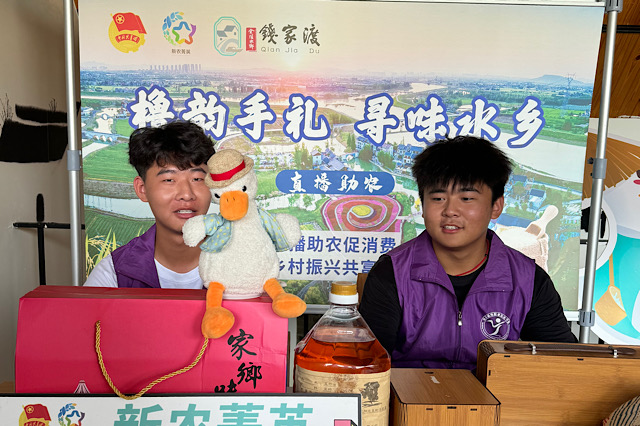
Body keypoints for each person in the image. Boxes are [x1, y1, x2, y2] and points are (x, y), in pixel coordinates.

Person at [359, 135, 577, 370]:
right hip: (407, 391)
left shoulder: (528, 279)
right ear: (423, 206)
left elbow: (564, 364)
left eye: (466, 198)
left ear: (496, 206)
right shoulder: (392, 272)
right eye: (438, 198)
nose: (450, 211)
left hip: (492, 392)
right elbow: (368, 366)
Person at [84, 120, 215, 288]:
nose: (186, 194)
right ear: (142, 189)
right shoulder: (113, 275)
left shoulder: (242, 265)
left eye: (197, 179)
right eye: (169, 180)